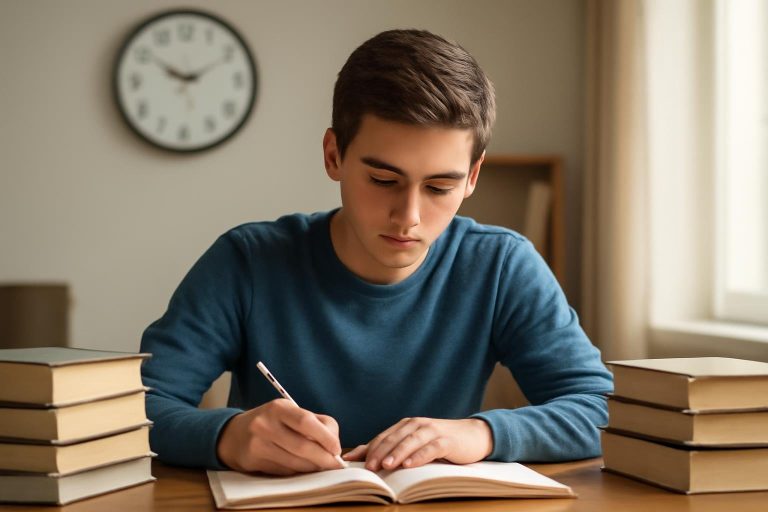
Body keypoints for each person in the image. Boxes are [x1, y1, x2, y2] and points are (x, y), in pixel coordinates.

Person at [140, 29, 613, 475]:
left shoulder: (500, 266)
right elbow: (138, 407)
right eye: (383, 181)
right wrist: (226, 436)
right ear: (333, 156)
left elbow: (602, 409)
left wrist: (482, 433)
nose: (408, 216)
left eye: (439, 187)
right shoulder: (245, 261)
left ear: (472, 177)